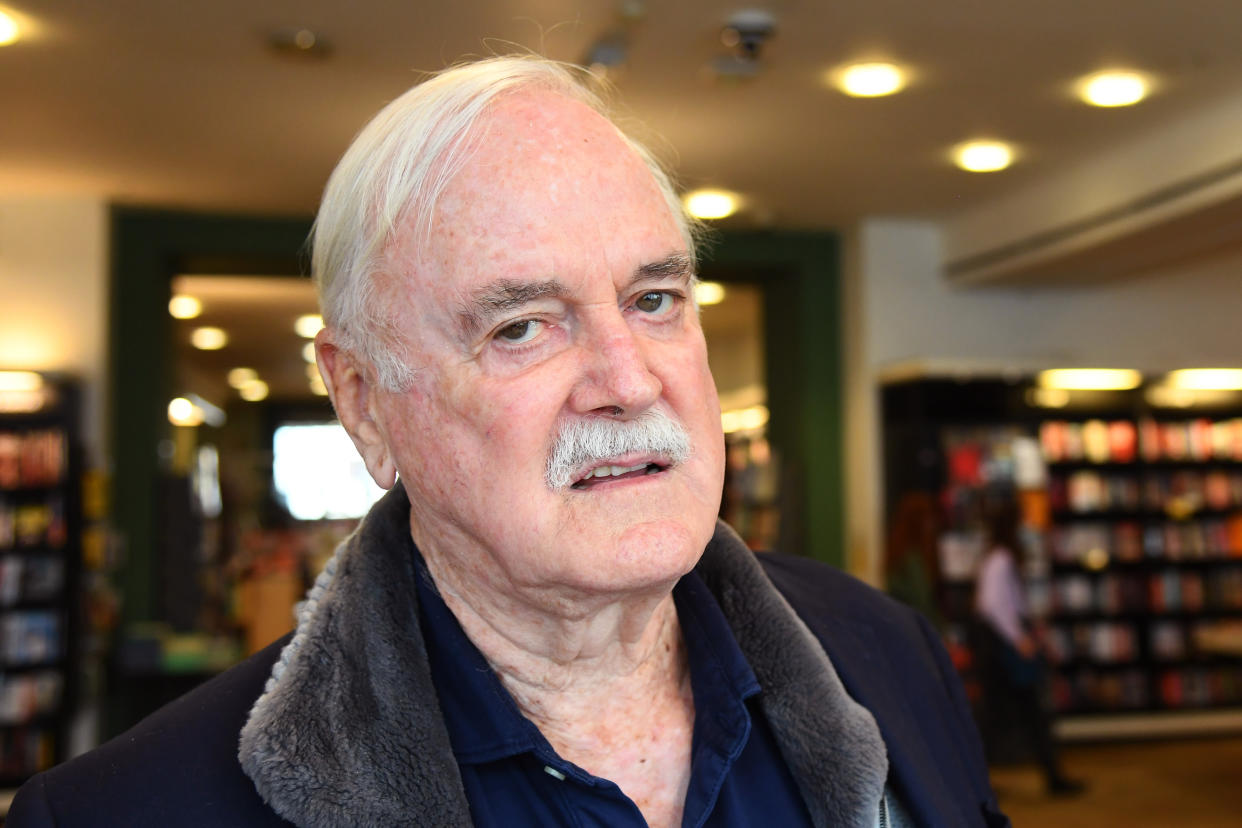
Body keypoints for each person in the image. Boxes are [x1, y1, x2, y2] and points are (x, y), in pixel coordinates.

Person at [9, 56, 1007, 827]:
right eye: (521, 325)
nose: (628, 380)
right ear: (363, 401)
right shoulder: (134, 809)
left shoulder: (886, 654)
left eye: (655, 300)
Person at [973, 497, 1083, 797]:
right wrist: (1019, 638)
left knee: (1009, 715)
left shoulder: (998, 559)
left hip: (1002, 648)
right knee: (1020, 713)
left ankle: (1050, 775)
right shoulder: (1001, 561)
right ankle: (1051, 776)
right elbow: (992, 606)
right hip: (1004, 650)